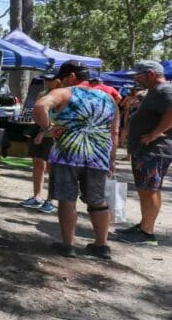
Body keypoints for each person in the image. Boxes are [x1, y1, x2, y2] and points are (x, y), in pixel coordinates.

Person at [32, 60, 118, 259]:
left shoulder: (65, 93)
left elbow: (39, 107)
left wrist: (49, 128)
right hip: (99, 156)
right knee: (98, 201)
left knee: (67, 199)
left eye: (62, 79)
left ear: (71, 76)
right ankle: (102, 245)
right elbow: (114, 131)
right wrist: (111, 158)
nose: (60, 83)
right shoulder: (108, 98)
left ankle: (68, 245)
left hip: (67, 155)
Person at [116, 60, 172, 245]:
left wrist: (155, 133)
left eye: (139, 76)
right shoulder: (155, 92)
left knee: (149, 189)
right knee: (148, 189)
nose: (137, 80)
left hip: (155, 150)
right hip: (148, 150)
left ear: (151, 74)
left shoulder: (165, 90)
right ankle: (144, 226)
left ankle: (147, 233)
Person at [20, 72, 61, 214]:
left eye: (50, 79)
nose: (47, 82)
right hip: (38, 132)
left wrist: (43, 132)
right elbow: (37, 113)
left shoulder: (62, 95)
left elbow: (56, 118)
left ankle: (51, 200)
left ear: (58, 81)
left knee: (51, 167)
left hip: (51, 136)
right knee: (37, 163)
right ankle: (37, 196)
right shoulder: (43, 93)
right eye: (46, 79)